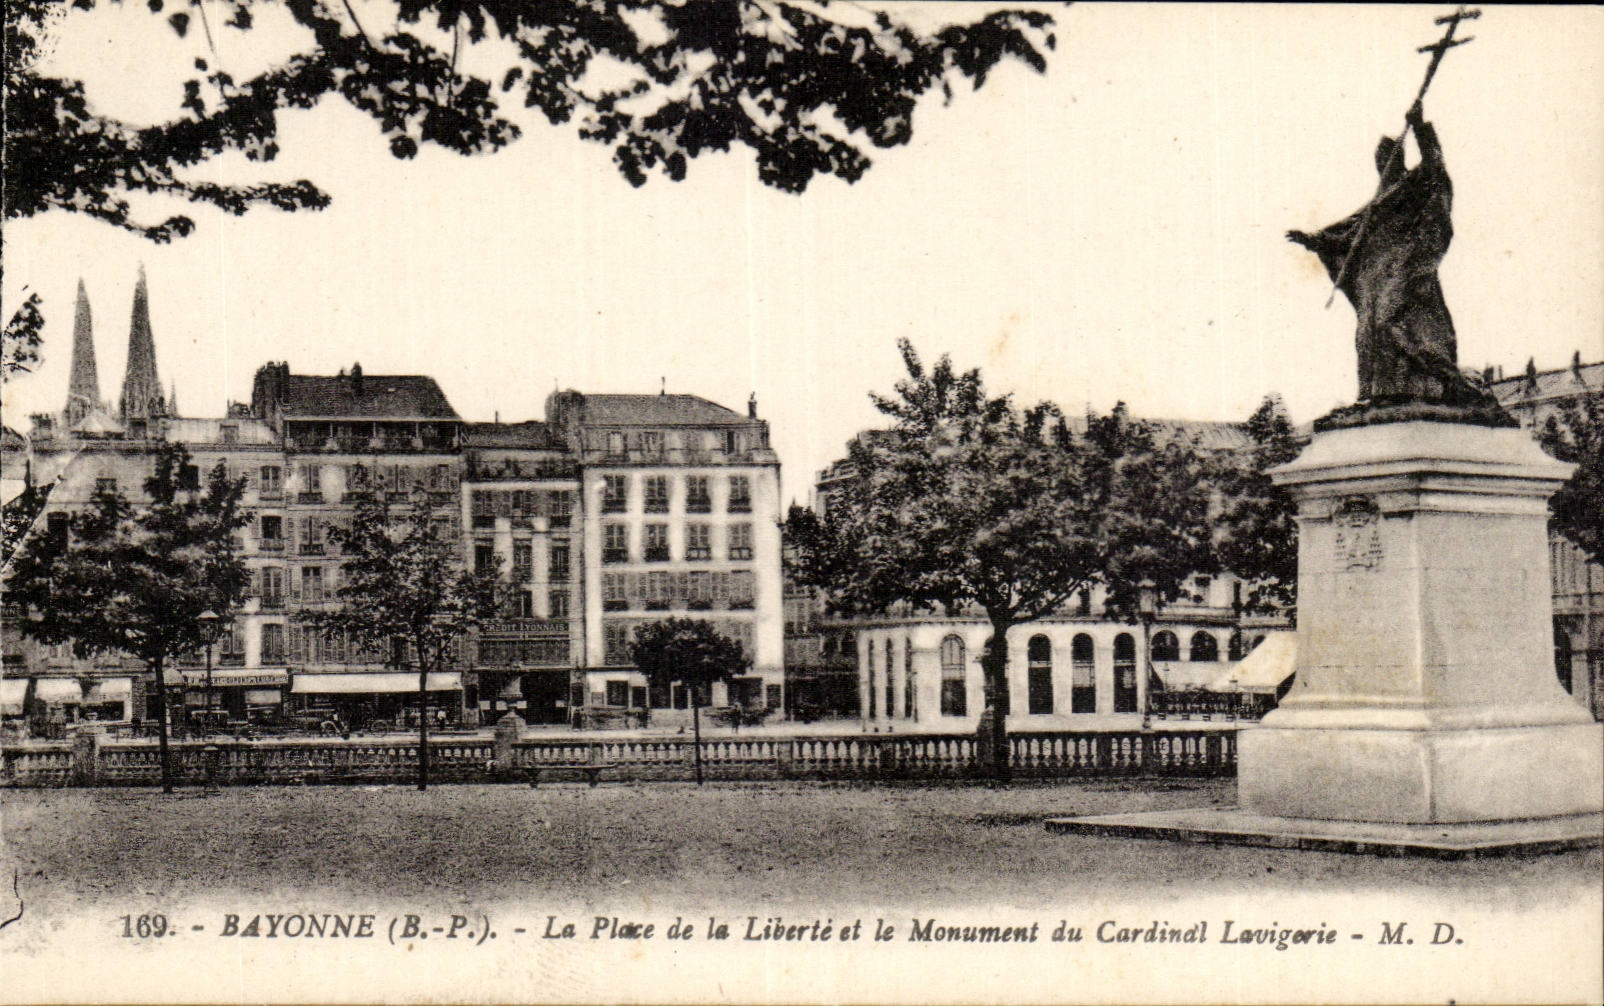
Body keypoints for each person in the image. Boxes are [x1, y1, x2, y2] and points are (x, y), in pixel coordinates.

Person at [1288, 103, 1501, 413]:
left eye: (1386, 160)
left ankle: (1444, 383)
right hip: (1377, 277)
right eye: (1379, 161)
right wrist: (1314, 240)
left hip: (1408, 267)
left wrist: (1421, 129)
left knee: (1392, 323)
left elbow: (1436, 169)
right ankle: (1384, 392)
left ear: (1395, 160)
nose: (1381, 166)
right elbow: (1348, 233)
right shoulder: (1376, 203)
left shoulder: (1415, 185)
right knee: (1370, 331)